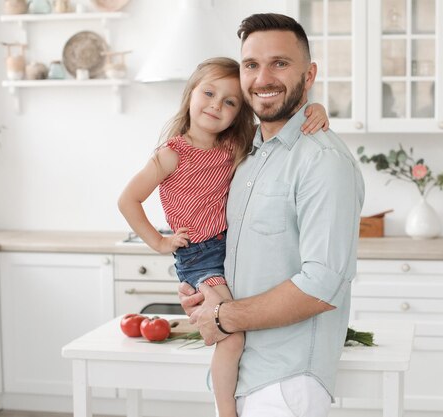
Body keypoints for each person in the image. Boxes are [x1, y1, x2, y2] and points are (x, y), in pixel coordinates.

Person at [117, 57, 329, 417]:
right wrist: (160, 242)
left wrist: (316, 108)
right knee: (232, 336)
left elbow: (280, 120)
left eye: (230, 102)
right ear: (190, 95)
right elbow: (128, 200)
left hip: (229, 249)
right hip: (199, 255)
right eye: (209, 93)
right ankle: (225, 411)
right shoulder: (172, 154)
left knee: (241, 326)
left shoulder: (234, 146)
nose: (216, 105)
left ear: (239, 113)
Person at [179, 13, 365, 417]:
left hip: (286, 383)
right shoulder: (248, 156)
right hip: (240, 374)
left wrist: (223, 316)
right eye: (251, 65)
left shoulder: (322, 161)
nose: (263, 77)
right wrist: (204, 292)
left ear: (309, 73)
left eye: (279, 63)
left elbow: (322, 285)